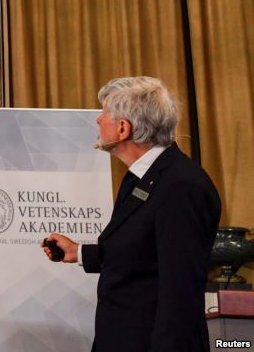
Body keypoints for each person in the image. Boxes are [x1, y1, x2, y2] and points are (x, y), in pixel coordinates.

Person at [43, 76, 221, 351]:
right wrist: (79, 253)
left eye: (104, 113)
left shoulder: (182, 186)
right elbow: (143, 253)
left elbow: (180, 293)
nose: (98, 120)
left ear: (123, 128)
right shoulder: (141, 176)